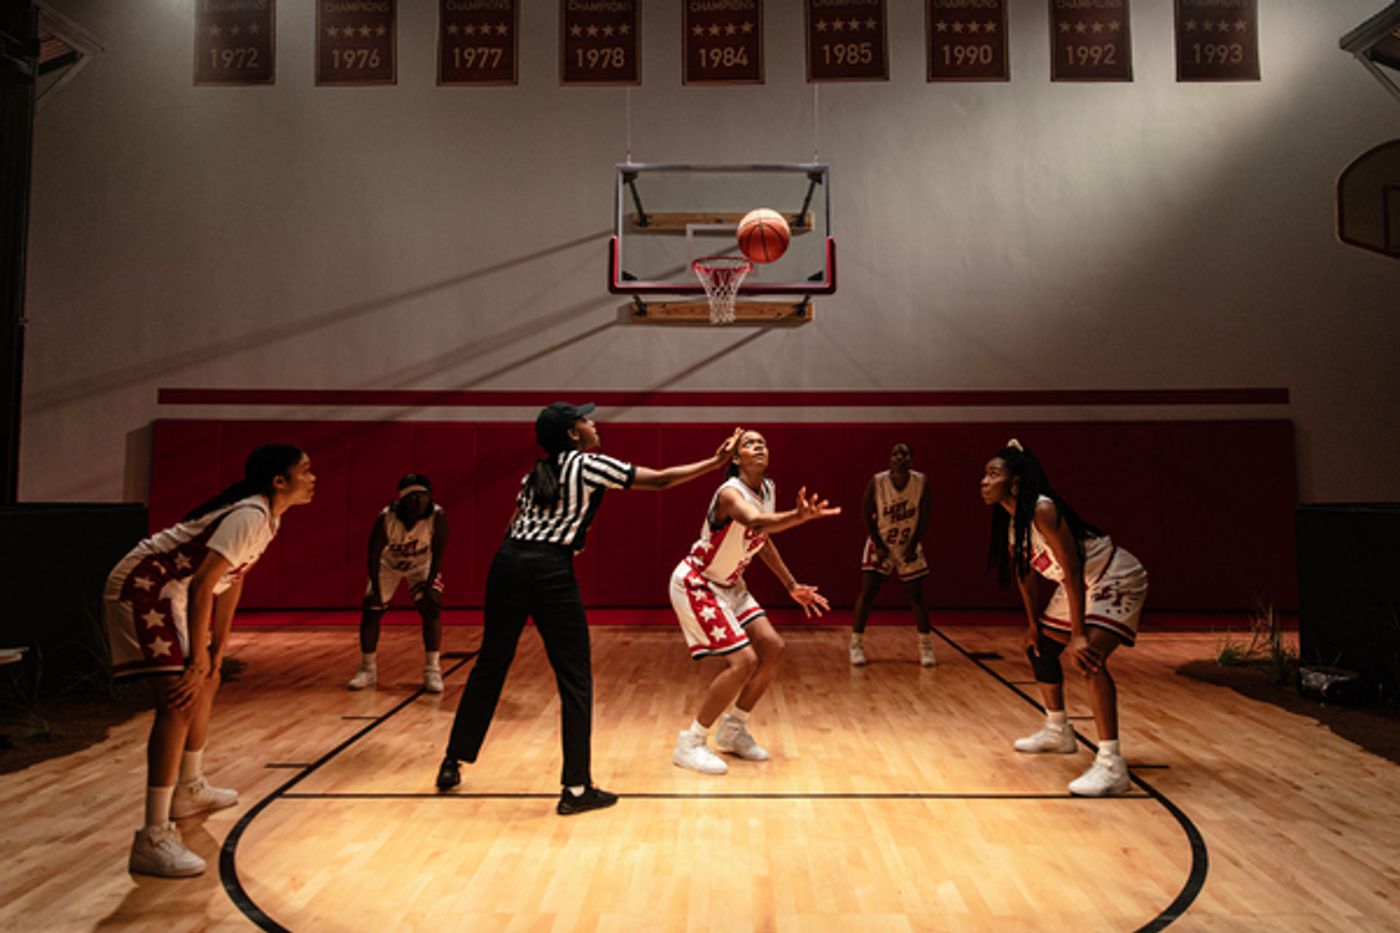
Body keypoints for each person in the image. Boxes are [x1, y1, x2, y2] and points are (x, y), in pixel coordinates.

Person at [436, 403, 742, 814]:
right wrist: (715, 463)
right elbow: (662, 480)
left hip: (507, 563)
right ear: (572, 433)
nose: (594, 423)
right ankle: (576, 788)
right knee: (575, 678)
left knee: (490, 665)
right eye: (585, 419)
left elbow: (513, 523)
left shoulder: (534, 475)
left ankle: (452, 761)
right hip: (550, 568)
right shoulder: (588, 465)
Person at [105, 444, 315, 876]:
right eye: (306, 471)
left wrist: (218, 650)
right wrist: (198, 657)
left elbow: (230, 581)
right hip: (145, 588)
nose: (313, 479)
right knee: (178, 699)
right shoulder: (249, 515)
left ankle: (189, 787)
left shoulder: (268, 517)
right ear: (279, 481)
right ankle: (153, 835)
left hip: (175, 593)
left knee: (207, 680)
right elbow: (203, 584)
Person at [980, 439, 1148, 797]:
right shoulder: (1011, 522)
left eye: (993, 474)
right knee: (1040, 647)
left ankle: (1112, 765)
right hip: (1081, 583)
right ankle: (1058, 731)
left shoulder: (1042, 509)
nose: (984, 481)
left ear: (1015, 481)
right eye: (985, 474)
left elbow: (1072, 567)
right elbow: (1025, 575)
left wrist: (1078, 634)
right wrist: (1032, 625)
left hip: (1112, 575)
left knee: (1088, 658)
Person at [669, 429, 840, 775]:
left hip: (732, 585)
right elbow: (756, 521)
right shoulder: (730, 493)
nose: (758, 446)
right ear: (735, 458)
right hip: (699, 583)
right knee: (743, 661)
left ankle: (733, 729)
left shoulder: (768, 489)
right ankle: (691, 742)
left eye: (762, 442)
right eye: (749, 443)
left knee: (773, 648)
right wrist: (797, 516)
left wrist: (790, 584)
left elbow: (762, 539)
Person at [347, 473, 451, 693]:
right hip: (389, 565)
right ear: (402, 499)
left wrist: (430, 586)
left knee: (431, 607)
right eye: (413, 497)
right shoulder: (386, 517)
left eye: (423, 496)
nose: (419, 501)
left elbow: (439, 554)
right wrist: (376, 589)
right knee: (372, 609)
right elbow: (373, 555)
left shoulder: (437, 516)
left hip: (422, 565)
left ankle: (432, 670)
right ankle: (367, 669)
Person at [848, 442, 936, 668]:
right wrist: (878, 544)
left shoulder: (921, 481)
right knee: (867, 594)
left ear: (911, 459)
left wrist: (913, 544)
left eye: (904, 453)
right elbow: (865, 512)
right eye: (895, 453)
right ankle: (856, 645)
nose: (899, 457)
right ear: (889, 459)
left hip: (908, 543)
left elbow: (924, 515)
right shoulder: (878, 481)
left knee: (917, 596)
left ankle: (925, 647)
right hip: (881, 543)